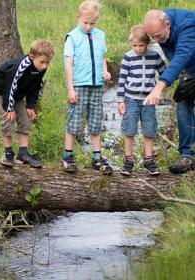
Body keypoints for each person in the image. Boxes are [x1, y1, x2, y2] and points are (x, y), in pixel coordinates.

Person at [62, 0, 113, 173]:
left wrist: (105, 71)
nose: (89, 26)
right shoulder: (72, 37)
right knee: (74, 120)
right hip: (79, 85)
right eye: (86, 22)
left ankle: (96, 157)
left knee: (95, 122)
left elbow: (102, 56)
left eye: (92, 23)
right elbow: (68, 63)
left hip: (97, 85)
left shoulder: (101, 35)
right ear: (78, 17)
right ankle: (67, 156)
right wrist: (70, 88)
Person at [0, 39, 55, 168]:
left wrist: (30, 106)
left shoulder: (41, 68)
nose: (45, 66)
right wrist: (9, 107)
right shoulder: (20, 66)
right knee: (7, 117)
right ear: (32, 56)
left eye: (47, 62)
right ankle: (7, 153)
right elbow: (9, 86)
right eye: (42, 62)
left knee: (25, 118)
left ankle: (23, 153)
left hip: (16, 94)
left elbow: (36, 86)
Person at [143, 9, 195, 174]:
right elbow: (171, 53)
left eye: (158, 35)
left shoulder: (188, 25)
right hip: (191, 69)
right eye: (153, 38)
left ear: (168, 24)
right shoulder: (160, 29)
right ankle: (187, 155)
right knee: (183, 102)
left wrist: (159, 87)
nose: (157, 40)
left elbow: (182, 54)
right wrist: (185, 75)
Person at [117, 25, 166, 176]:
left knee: (149, 129)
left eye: (141, 45)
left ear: (148, 43)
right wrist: (120, 100)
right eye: (135, 45)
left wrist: (159, 92)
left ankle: (149, 160)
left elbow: (164, 73)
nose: (138, 49)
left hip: (148, 100)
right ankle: (128, 160)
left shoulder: (155, 56)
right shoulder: (128, 57)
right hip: (131, 99)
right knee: (129, 129)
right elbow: (122, 80)